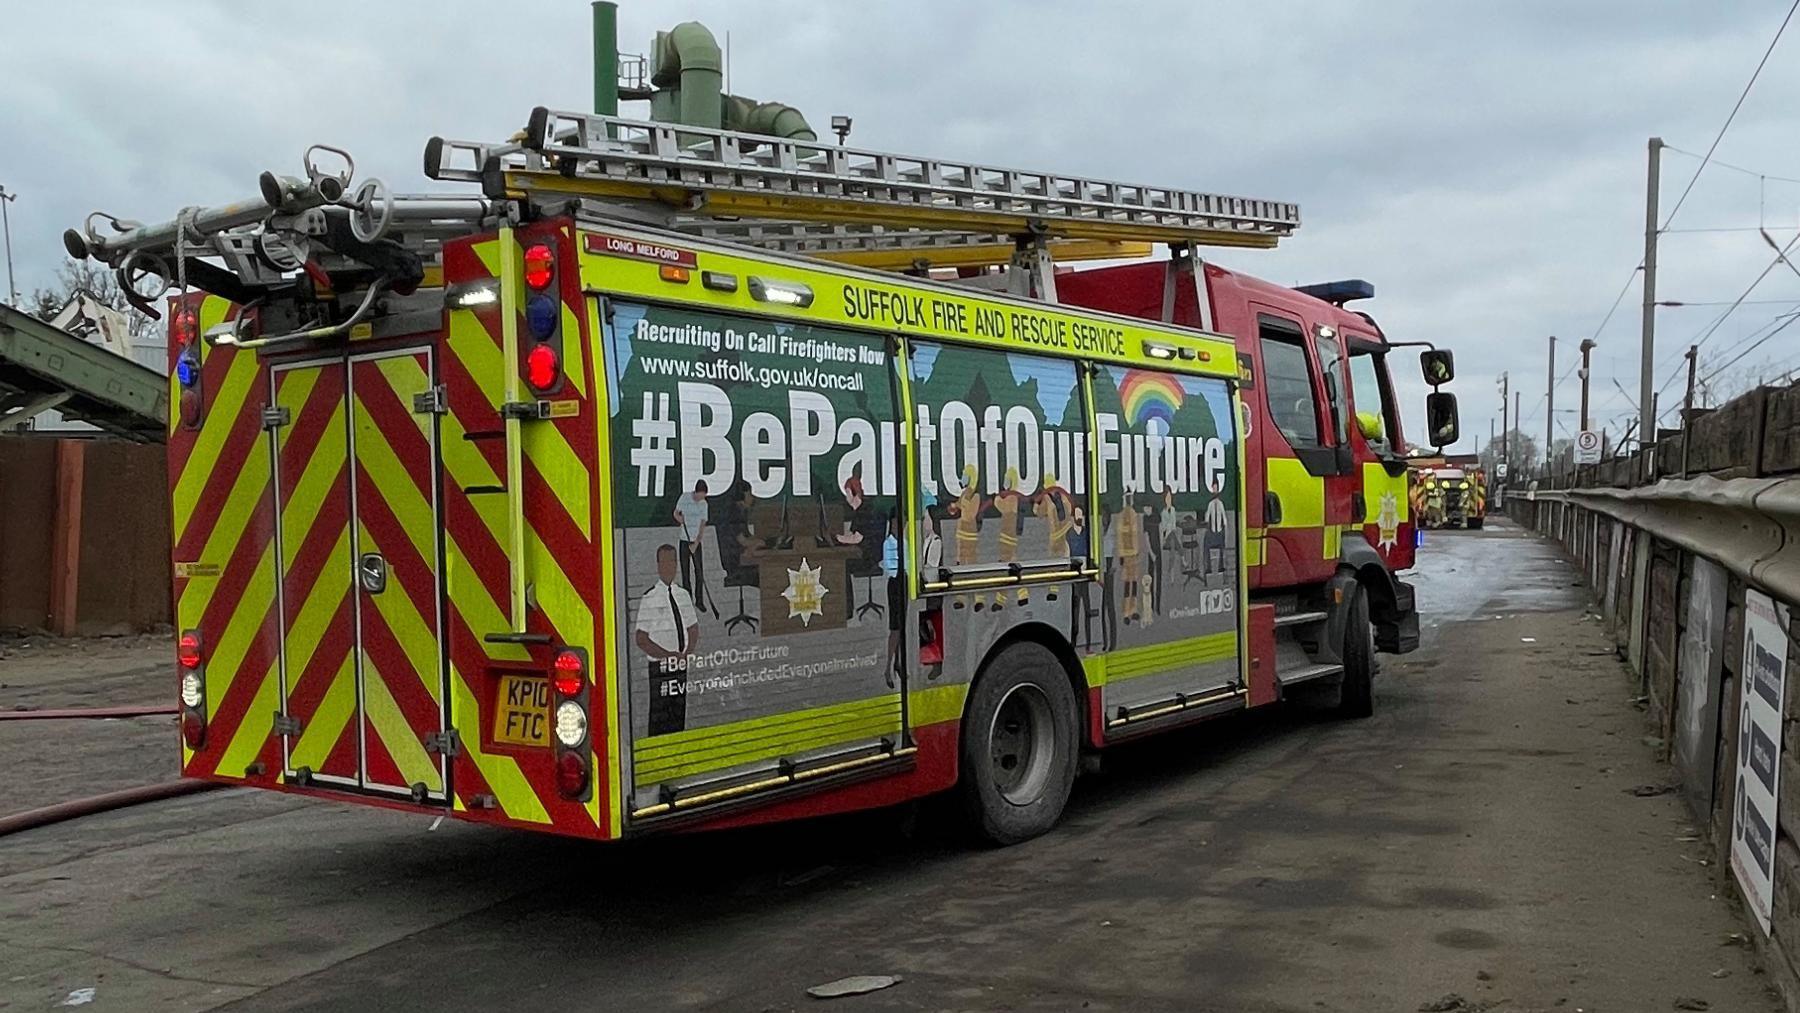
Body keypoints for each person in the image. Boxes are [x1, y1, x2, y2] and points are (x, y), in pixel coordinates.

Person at [633, 544, 700, 736]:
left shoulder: (683, 595)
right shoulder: (650, 598)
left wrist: (687, 652)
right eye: (664, 562)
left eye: (672, 561)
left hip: (680, 666)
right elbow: (641, 638)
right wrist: (668, 655)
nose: (669, 567)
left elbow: (693, 628)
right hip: (661, 668)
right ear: (658, 565)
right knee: (661, 718)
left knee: (678, 715)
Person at [673, 480, 716, 619]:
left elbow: (703, 523)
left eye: (703, 496)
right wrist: (680, 519)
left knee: (699, 572)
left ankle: (700, 601)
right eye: (699, 496)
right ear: (695, 492)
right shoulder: (684, 497)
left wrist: (697, 542)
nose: (700, 499)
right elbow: (676, 513)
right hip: (684, 540)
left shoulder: (704, 504)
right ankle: (687, 602)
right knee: (685, 573)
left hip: (695, 541)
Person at [1117, 487, 1144, 625]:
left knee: (1134, 583)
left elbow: (1137, 534)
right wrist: (1122, 554)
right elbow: (1121, 536)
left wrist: (1138, 551)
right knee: (1127, 584)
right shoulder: (1122, 516)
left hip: (1134, 555)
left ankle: (1133, 610)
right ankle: (1126, 612)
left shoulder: (1134, 514)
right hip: (1127, 555)